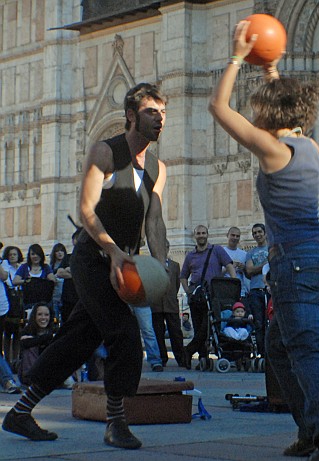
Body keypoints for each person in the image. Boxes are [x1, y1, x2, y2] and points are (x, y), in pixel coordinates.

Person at [208, 21, 319, 460]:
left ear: (269, 113)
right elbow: (283, 106)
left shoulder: (273, 150)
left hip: (295, 262)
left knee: (305, 349)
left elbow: (218, 107)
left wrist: (237, 56)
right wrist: (270, 68)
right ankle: (310, 428)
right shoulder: (310, 146)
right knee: (279, 347)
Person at [2, 82, 168, 449]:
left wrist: (160, 266)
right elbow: (86, 210)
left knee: (78, 341)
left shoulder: (158, 167)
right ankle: (116, 423)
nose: (159, 119)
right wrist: (112, 252)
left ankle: (19, 413)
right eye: (151, 112)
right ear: (130, 116)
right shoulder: (105, 153)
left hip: (125, 267)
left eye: (162, 113)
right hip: (93, 260)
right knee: (124, 333)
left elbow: (154, 222)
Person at [180, 224, 236, 368]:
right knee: (199, 328)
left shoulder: (216, 250)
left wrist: (233, 281)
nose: (201, 235)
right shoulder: (190, 255)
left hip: (213, 295)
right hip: (196, 296)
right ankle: (202, 360)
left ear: (207, 235)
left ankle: (188, 350)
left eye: (203, 233)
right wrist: (187, 290)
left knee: (208, 326)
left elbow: (229, 265)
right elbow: (183, 276)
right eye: (198, 233)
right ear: (195, 236)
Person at [151, 240, 186, 369]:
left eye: (164, 247)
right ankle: (161, 358)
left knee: (175, 332)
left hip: (171, 303)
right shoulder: (152, 264)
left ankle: (181, 358)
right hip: (156, 304)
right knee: (158, 333)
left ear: (168, 248)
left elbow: (177, 284)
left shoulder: (175, 265)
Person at [244, 223, 269, 356]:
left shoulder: (272, 249)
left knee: (271, 323)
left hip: (270, 291)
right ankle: (261, 353)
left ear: (265, 233)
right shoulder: (250, 253)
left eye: (259, 232)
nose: (257, 235)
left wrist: (256, 268)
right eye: (254, 233)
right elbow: (249, 270)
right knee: (259, 324)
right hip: (255, 291)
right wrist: (266, 264)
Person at [17, 304, 56, 386]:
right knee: (29, 349)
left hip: (49, 370)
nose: (43, 318)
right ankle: (32, 379)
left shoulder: (54, 330)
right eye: (39, 314)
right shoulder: (27, 331)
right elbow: (25, 344)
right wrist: (46, 338)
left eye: (46, 315)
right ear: (34, 316)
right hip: (31, 371)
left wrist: (35, 339)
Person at [224, 226, 249, 297]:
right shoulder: (221, 252)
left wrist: (243, 268)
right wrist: (230, 267)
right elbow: (217, 272)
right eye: (233, 235)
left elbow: (248, 275)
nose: (235, 238)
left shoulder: (244, 254)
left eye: (237, 236)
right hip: (225, 291)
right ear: (227, 235)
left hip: (241, 292)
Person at [49, 243, 68, 322]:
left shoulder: (68, 264)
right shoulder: (51, 267)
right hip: (55, 297)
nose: (60, 253)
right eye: (57, 251)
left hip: (66, 297)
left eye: (61, 251)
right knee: (55, 320)